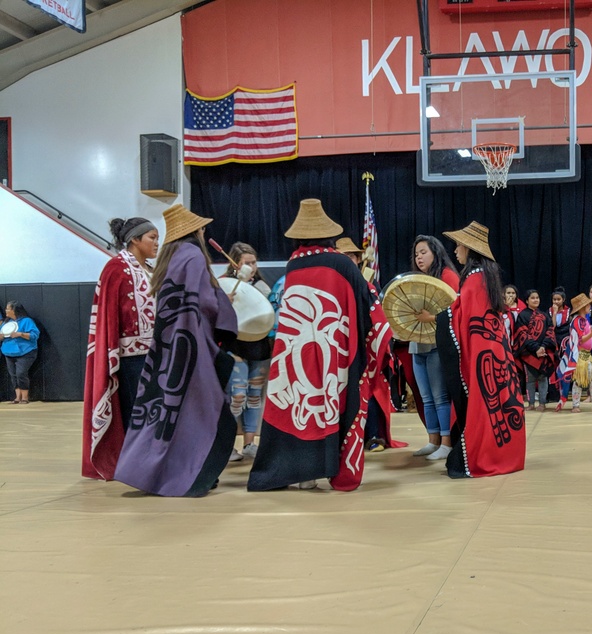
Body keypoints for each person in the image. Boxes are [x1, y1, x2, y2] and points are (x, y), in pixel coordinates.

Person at [248, 199, 390, 492]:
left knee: (298, 405)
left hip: (295, 349)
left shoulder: (294, 263)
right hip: (332, 350)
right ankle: (329, 469)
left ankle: (300, 472)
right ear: (328, 234)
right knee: (331, 404)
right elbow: (367, 306)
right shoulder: (340, 262)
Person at [114, 205, 238, 497]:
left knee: (169, 413)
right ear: (195, 232)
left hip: (169, 348)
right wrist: (224, 304)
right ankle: (191, 472)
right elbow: (204, 303)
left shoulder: (170, 258)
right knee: (200, 415)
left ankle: (154, 471)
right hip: (193, 349)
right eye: (202, 228)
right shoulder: (193, 256)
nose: (204, 231)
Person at [437, 221, 525, 479]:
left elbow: (463, 317)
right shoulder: (487, 277)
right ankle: (503, 453)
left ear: (468, 248)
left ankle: (484, 456)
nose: (455, 251)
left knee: (485, 404)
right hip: (494, 351)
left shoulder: (475, 279)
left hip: (482, 356)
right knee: (498, 402)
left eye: (458, 245)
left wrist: (440, 317)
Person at [83, 216, 159, 479]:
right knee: (135, 412)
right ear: (135, 239)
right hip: (130, 358)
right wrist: (111, 354)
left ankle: (146, 463)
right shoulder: (116, 269)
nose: (156, 243)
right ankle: (134, 465)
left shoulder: (149, 269)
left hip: (153, 354)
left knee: (151, 411)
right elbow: (108, 316)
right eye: (152, 237)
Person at [408, 234, 460, 461]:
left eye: (423, 252)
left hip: (437, 344)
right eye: (416, 254)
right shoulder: (417, 279)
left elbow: (456, 310)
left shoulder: (448, 276)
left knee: (440, 396)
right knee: (426, 397)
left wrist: (432, 318)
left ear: (435, 253)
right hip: (416, 343)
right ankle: (433, 440)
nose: (419, 257)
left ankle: (447, 443)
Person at [223, 242, 273, 462]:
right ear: (235, 262)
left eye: (254, 262)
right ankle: (228, 444)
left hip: (259, 347)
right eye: (247, 262)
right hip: (235, 348)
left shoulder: (263, 287)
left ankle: (250, 443)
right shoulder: (224, 286)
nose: (252, 267)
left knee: (254, 397)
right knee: (237, 396)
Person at [513, 289, 557, 411]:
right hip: (529, 353)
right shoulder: (522, 315)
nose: (535, 300)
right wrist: (535, 348)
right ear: (527, 301)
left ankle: (542, 403)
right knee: (530, 380)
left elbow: (550, 332)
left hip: (543, 352)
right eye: (532, 298)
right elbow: (522, 334)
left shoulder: (544, 315)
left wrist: (543, 347)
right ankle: (531, 403)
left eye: (537, 297)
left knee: (543, 378)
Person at [562, 293, 592, 414]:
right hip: (579, 355)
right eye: (587, 306)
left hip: (587, 355)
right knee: (578, 380)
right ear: (582, 308)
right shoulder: (577, 321)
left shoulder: (584, 320)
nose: (589, 308)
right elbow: (579, 339)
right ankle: (575, 405)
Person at [2, 301, 40, 404]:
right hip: (9, 352)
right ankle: (17, 397)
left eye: (8, 309)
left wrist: (20, 334)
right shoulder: (6, 323)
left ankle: (25, 397)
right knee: (13, 374)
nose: (6, 310)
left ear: (14, 310)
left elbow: (34, 335)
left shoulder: (27, 321)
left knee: (21, 373)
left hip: (25, 352)